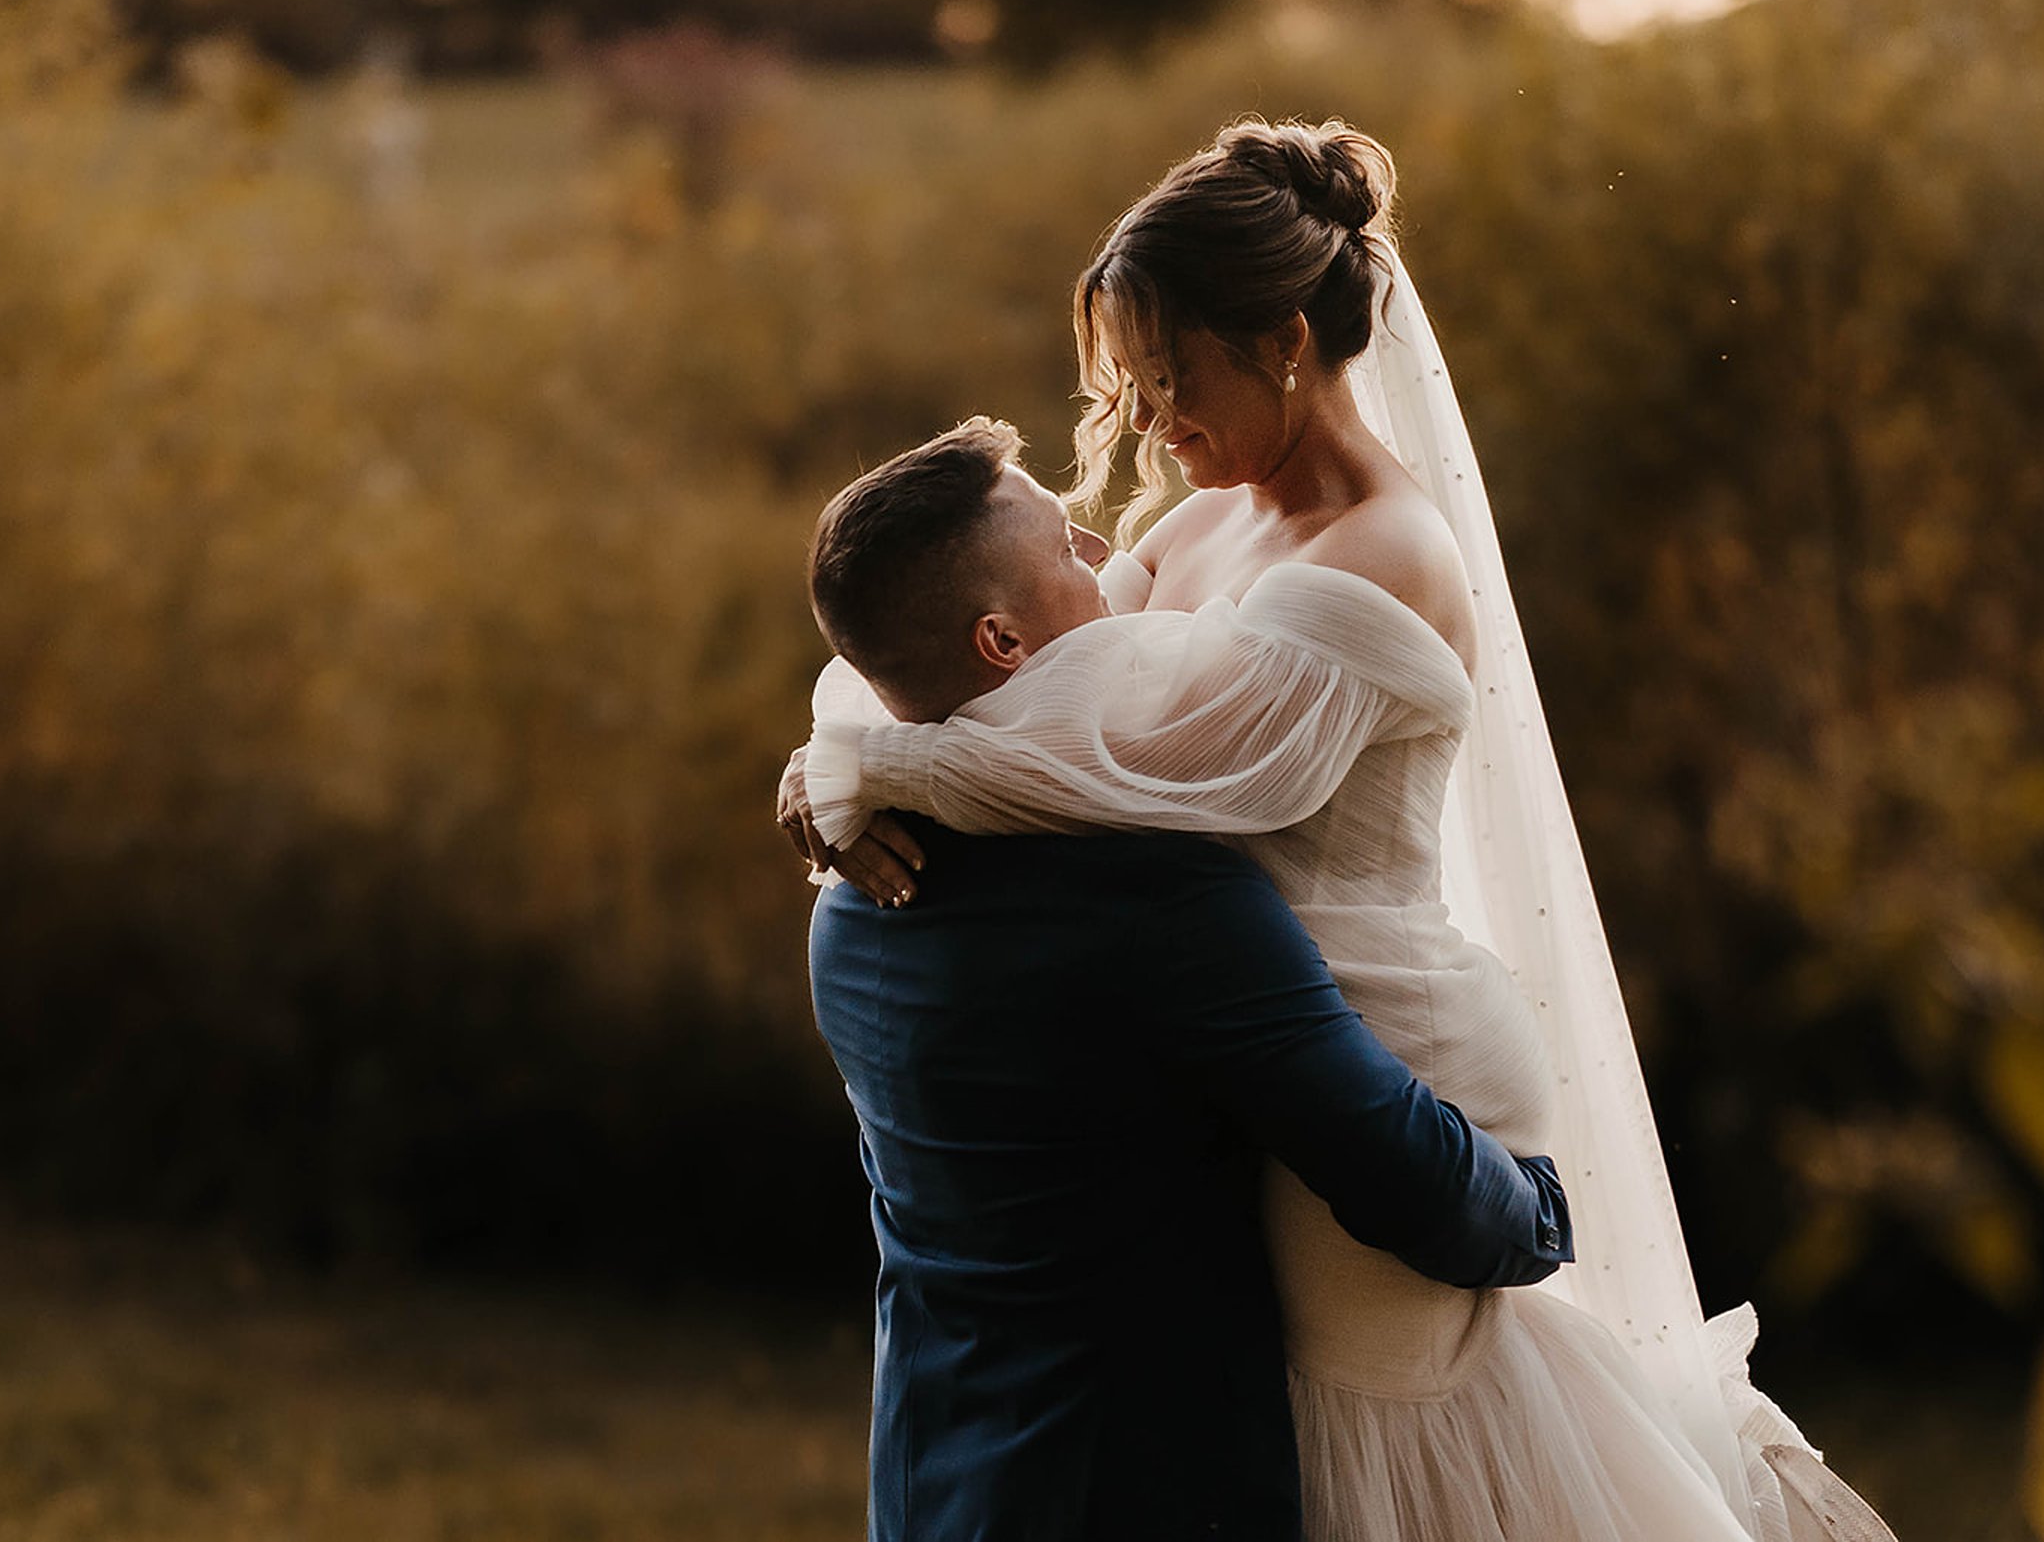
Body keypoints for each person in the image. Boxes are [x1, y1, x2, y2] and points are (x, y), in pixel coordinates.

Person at [784, 121, 1898, 1542]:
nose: (1148, 416)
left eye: (1175, 374)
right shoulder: (1197, 533)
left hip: (1372, 1058)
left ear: (1290, 342)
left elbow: (1118, 765)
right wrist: (854, 758)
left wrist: (856, 767)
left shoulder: (1382, 555)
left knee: (1366, 1454)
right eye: (1133, 376)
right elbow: (1000, 684)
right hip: (1233, 1041)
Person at [797, 417, 1576, 1542]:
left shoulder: (849, 897)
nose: (1099, 542)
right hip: (1138, 1491)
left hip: (935, 1484)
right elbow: (1390, 1162)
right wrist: (1539, 1212)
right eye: (1063, 543)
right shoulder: (1160, 899)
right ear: (1003, 639)